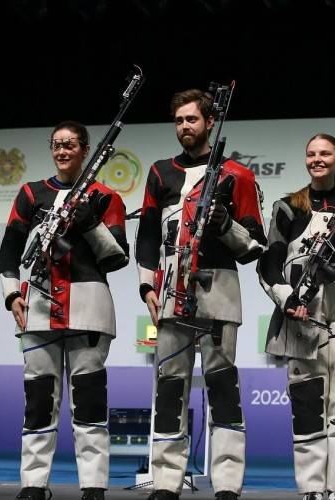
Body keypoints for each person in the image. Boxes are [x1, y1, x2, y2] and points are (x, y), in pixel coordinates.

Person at [135, 89, 266, 500]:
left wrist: (224, 224)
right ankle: (166, 482)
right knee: (169, 388)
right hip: (170, 292)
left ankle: (226, 484)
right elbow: (147, 234)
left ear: (210, 122)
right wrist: (146, 286)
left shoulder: (237, 175)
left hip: (219, 293)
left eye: (191, 119)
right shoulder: (160, 173)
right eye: (179, 120)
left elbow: (256, 246)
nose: (184, 127)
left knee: (222, 387)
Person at [0, 121, 129, 500]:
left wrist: (89, 224)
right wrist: (11, 294)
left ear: (86, 150)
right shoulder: (31, 193)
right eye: (56, 144)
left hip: (90, 309)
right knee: (39, 401)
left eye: (70, 144)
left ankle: (94, 486)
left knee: (89, 401)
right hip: (38, 308)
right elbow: (9, 250)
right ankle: (33, 484)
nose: (62, 150)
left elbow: (117, 257)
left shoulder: (106, 197)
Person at [257, 133, 335, 500]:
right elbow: (268, 264)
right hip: (302, 322)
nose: (317, 159)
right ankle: (312, 488)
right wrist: (287, 299)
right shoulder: (287, 208)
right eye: (311, 153)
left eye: (325, 153)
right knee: (308, 407)